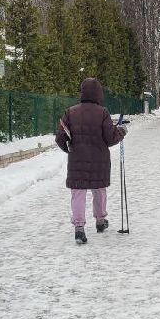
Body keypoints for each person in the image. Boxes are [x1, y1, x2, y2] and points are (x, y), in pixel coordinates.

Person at [55, 77, 126, 244]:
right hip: (99, 160)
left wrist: (69, 149)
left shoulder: (69, 112)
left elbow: (60, 137)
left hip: (77, 160)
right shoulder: (103, 112)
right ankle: (101, 220)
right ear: (98, 94)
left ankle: (79, 227)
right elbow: (110, 138)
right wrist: (121, 131)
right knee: (99, 189)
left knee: (78, 193)